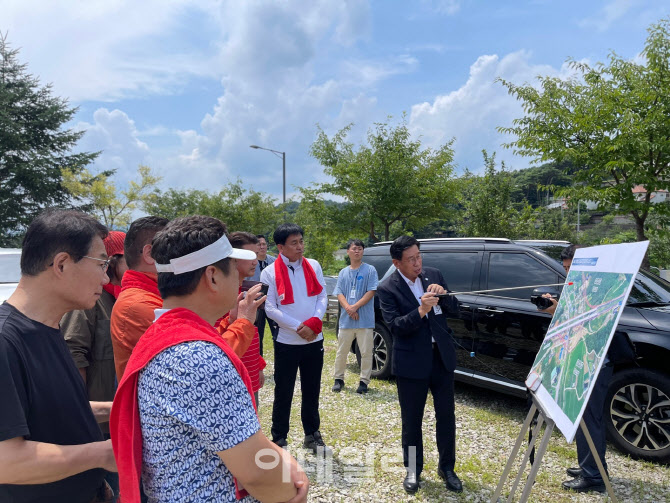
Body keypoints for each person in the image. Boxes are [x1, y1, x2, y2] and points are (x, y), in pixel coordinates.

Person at [110, 216, 308, 503]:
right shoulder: (198, 358)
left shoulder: (163, 334)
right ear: (213, 276)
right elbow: (255, 472)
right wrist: (292, 494)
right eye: (232, 269)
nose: (240, 277)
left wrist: (281, 458)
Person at [0, 210, 117, 502]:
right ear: (62, 264)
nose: (105, 278)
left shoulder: (48, 327)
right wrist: (104, 453)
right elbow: (7, 462)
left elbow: (49, 411)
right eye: (101, 264)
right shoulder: (6, 340)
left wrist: (116, 409)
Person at [540, 244, 635, 494]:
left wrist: (560, 313)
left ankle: (594, 477)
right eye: (566, 269)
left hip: (595, 362)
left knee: (589, 418)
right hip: (586, 360)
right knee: (585, 418)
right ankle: (591, 465)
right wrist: (557, 310)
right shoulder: (580, 286)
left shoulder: (601, 287)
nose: (569, 274)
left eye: (572, 268)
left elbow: (590, 324)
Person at [377, 235, 462, 494]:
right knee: (412, 419)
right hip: (412, 361)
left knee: (446, 416)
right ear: (397, 263)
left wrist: (443, 296)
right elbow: (396, 326)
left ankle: (447, 467)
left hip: (441, 357)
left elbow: (455, 309)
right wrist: (421, 310)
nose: (417, 263)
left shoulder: (433, 274)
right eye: (411, 259)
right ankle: (413, 469)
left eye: (419, 257)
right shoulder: (387, 287)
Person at [62, 230, 127, 501]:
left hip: (118, 419)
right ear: (112, 262)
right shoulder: (90, 300)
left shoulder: (124, 297)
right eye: (128, 259)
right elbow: (73, 352)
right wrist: (82, 420)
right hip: (97, 426)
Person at [260, 223, 329, 453]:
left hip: (314, 339)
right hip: (287, 341)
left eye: (301, 241)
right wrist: (299, 326)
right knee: (284, 390)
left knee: (312, 389)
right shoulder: (269, 272)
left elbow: (321, 296)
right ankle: (279, 436)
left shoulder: (314, 265)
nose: (300, 247)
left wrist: (314, 323)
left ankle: (312, 433)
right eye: (294, 243)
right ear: (280, 247)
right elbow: (270, 307)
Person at [110, 216, 168, 380]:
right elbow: (202, 364)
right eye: (174, 249)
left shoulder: (150, 297)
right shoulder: (138, 305)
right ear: (149, 253)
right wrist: (245, 322)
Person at [332, 239, 378, 394]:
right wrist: (348, 308)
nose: (357, 251)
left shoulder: (370, 270)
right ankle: (338, 379)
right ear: (348, 251)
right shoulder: (343, 272)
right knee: (341, 351)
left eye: (360, 249)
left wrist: (355, 307)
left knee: (366, 352)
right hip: (346, 319)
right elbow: (339, 292)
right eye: (354, 248)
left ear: (363, 251)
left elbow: (371, 291)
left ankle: (364, 381)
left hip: (364, 319)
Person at [227, 231, 267, 406]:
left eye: (256, 255)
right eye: (249, 255)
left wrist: (257, 365)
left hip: (249, 371)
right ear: (233, 258)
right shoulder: (222, 297)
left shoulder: (243, 291)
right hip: (232, 375)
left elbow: (252, 332)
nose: (255, 261)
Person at [250, 234, 278, 354]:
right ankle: (258, 365)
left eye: (264, 244)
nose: (262, 247)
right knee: (257, 335)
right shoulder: (250, 262)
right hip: (256, 304)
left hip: (273, 302)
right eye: (259, 244)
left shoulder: (275, 262)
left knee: (277, 333)